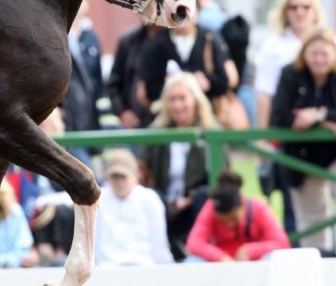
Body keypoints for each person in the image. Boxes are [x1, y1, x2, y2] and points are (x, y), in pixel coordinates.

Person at [252, 0, 336, 232]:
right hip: (291, 132)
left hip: (329, 135)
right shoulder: (273, 46)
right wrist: (263, 136)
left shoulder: (333, 41)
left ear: (315, 10)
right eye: (294, 7)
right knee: (294, 201)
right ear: (285, 12)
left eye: (306, 6)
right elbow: (264, 94)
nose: (300, 12)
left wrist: (328, 117)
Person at [269, 27, 336, 251]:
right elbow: (279, 116)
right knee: (312, 220)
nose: (319, 59)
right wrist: (325, 122)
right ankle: (318, 265)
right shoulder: (290, 73)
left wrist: (318, 114)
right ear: (304, 54)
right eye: (314, 53)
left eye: (324, 53)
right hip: (302, 157)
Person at [140, 72, 224, 260]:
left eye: (182, 99)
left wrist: (189, 198)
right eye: (172, 100)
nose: (177, 105)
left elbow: (221, 176)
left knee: (205, 196)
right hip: (163, 200)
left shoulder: (211, 131)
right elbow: (143, 171)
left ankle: (196, 251)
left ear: (195, 100)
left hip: (194, 203)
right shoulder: (156, 133)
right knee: (151, 198)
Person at [135, 11, 242, 128]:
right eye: (177, 12)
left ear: (196, 13)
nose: (182, 17)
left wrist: (207, 83)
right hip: (169, 123)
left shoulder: (210, 39)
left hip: (207, 120)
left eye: (186, 11)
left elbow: (226, 81)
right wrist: (171, 86)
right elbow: (147, 91)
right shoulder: (156, 45)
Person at [185, 170, 289, 262]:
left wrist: (251, 250)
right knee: (193, 262)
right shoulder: (210, 208)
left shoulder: (258, 208)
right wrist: (221, 257)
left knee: (274, 259)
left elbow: (282, 243)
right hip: (220, 264)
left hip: (254, 263)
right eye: (223, 221)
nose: (229, 225)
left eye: (234, 219)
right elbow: (193, 243)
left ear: (242, 205)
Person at [94, 148, 174, 267]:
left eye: (123, 177)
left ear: (136, 175)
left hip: (145, 267)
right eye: (115, 177)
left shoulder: (150, 199)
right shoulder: (97, 201)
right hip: (107, 267)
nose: (119, 183)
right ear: (107, 178)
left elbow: (158, 242)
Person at [105, 22, 164, 129]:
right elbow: (114, 83)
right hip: (135, 122)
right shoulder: (129, 41)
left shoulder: (172, 39)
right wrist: (122, 112)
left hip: (166, 120)